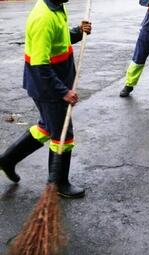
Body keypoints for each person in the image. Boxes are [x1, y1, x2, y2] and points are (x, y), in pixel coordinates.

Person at [0, 0, 92, 198]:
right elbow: (40, 65)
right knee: (63, 136)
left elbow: (59, 39)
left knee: (47, 128)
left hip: (53, 84)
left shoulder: (57, 7)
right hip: (48, 88)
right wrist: (63, 92)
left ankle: (7, 160)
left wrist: (77, 31)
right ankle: (59, 184)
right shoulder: (43, 17)